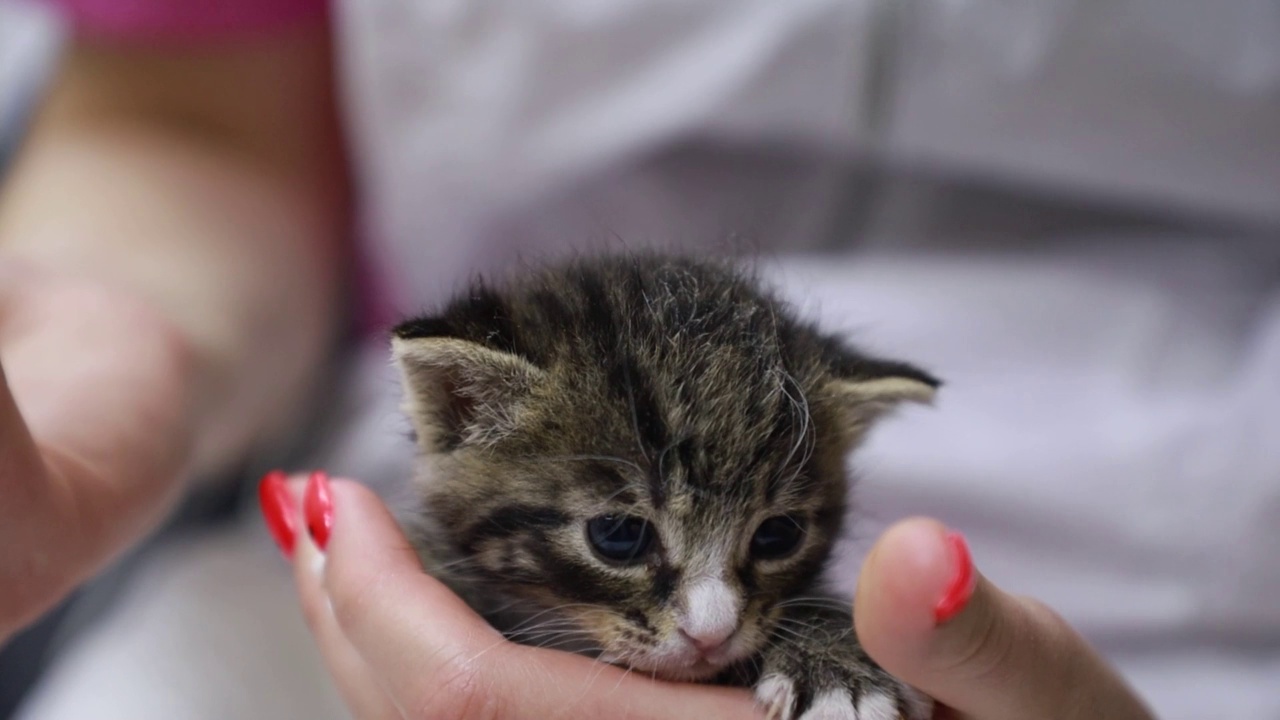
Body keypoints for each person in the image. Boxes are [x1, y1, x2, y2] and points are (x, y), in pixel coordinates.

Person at [1, 0, 1276, 718]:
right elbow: (191, 116)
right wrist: (121, 332)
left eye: (768, 548)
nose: (712, 624)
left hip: (1209, 608)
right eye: (629, 541)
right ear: (453, 404)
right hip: (357, 538)